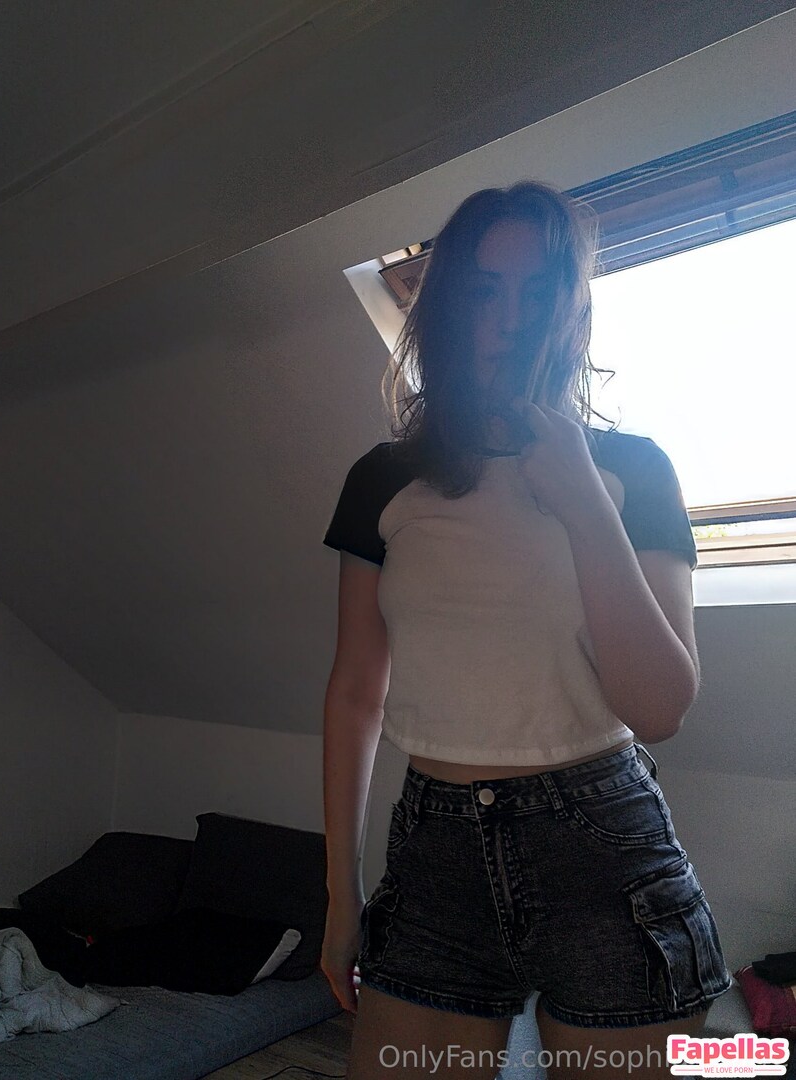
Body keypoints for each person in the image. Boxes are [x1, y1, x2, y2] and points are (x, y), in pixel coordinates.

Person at [320, 179, 733, 1079]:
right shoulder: (382, 480)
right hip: (431, 856)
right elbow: (355, 694)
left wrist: (584, 501)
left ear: (570, 309)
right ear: (445, 307)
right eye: (483, 291)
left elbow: (660, 708)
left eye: (537, 292)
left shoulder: (632, 470)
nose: (509, 321)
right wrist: (340, 894)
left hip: (602, 847)